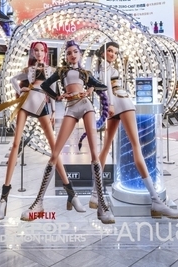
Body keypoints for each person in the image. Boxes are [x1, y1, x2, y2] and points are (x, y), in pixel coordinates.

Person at [22, 40, 114, 224]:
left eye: (75, 52)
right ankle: (38, 203)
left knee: (94, 154)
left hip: (86, 106)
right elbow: (45, 86)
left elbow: (103, 87)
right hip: (70, 108)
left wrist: (90, 88)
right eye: (69, 52)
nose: (72, 55)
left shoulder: (85, 73)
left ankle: (101, 204)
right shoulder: (61, 71)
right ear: (66, 56)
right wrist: (58, 96)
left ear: (80, 54)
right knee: (54, 154)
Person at [0, 42, 84, 220]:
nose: (40, 53)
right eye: (37, 50)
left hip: (42, 104)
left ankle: (71, 193)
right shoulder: (29, 69)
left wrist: (54, 111)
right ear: (33, 53)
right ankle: (3, 198)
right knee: (15, 144)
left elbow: (53, 91)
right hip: (26, 101)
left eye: (42, 50)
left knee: (54, 149)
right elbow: (13, 80)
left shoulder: (51, 70)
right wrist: (20, 90)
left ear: (46, 52)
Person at [90, 42, 178, 219]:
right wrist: (111, 104)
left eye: (115, 52)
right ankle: (155, 200)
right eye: (109, 51)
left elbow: (102, 89)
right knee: (136, 147)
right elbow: (107, 86)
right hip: (121, 103)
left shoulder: (101, 68)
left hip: (113, 105)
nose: (112, 54)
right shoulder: (105, 68)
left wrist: (107, 106)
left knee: (106, 149)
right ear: (102, 52)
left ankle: (95, 193)